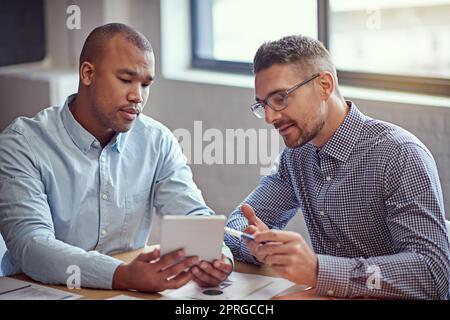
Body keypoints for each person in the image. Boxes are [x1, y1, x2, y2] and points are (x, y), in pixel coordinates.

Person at [0, 23, 232, 292]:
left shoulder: (157, 140)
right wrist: (122, 275)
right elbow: (32, 246)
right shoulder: (21, 145)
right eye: (126, 80)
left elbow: (191, 213)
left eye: (145, 84)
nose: (137, 96)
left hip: (124, 292)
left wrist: (218, 256)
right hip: (40, 291)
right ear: (88, 73)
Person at [225, 35, 450, 299]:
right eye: (263, 105)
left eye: (280, 98)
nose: (270, 117)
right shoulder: (296, 158)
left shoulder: (399, 154)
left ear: (324, 85)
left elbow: (433, 274)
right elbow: (237, 224)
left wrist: (319, 271)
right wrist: (256, 246)